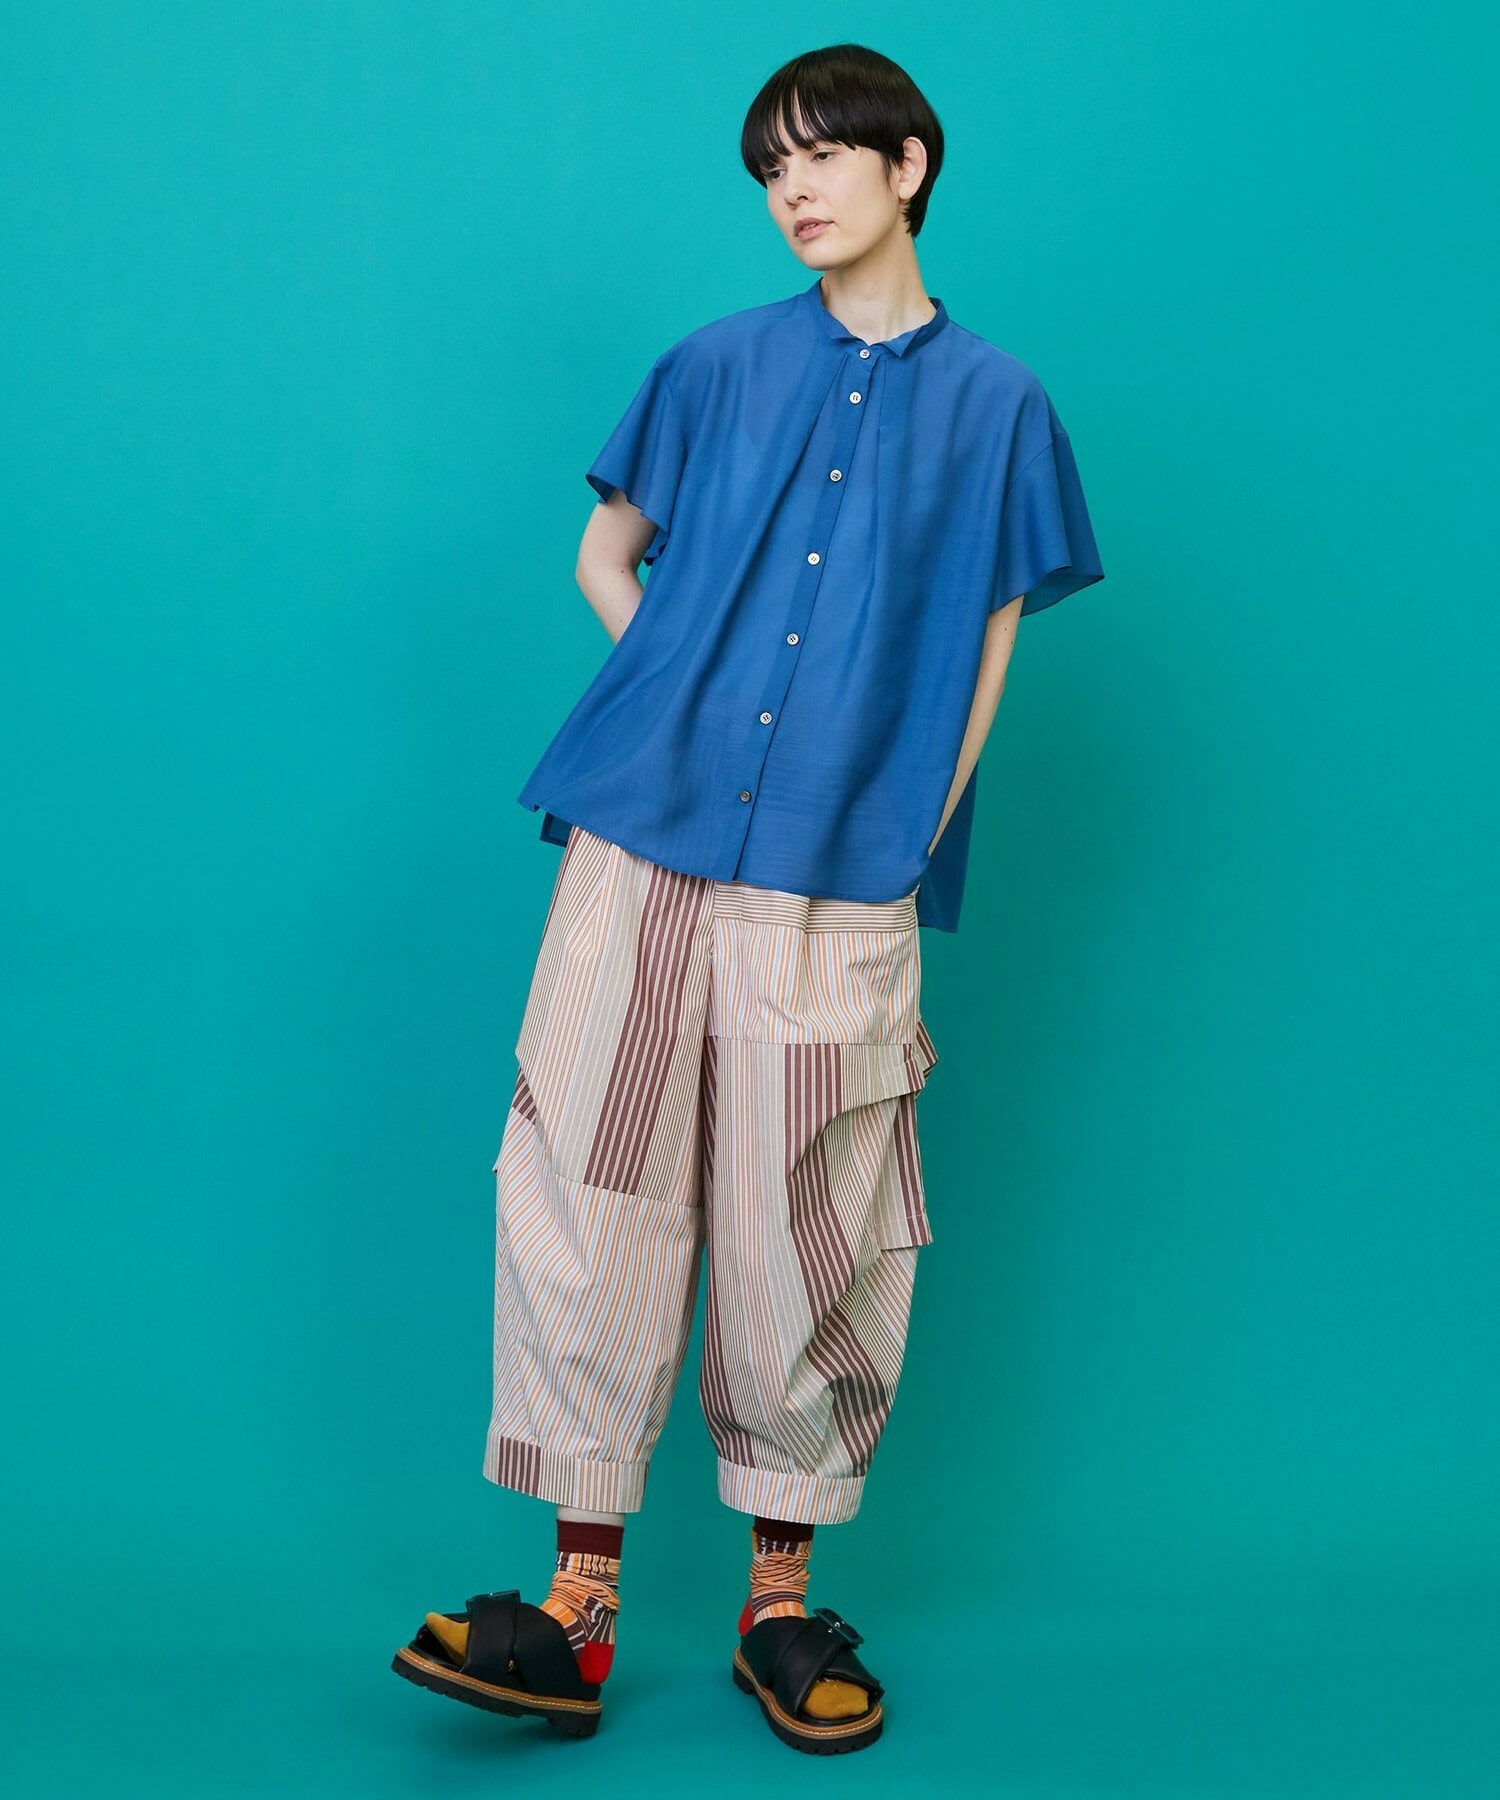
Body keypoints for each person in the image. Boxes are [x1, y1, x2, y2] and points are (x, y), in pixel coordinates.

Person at [392, 41, 1104, 1754]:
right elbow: (606, 556)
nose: (794, 189)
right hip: (638, 840)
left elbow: (987, 646)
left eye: (824, 155)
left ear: (908, 165)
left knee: (815, 1211)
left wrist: (903, 825)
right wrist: (679, 695)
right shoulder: (712, 364)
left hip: (841, 874)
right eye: (771, 167)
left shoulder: (1000, 403)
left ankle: (777, 1609)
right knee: (590, 1178)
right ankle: (576, 1614)